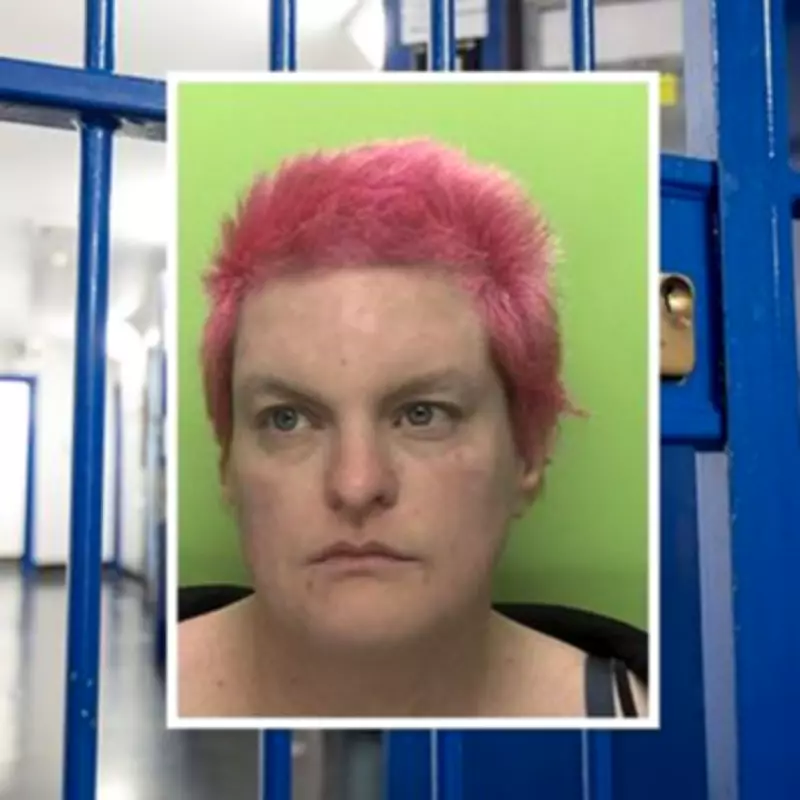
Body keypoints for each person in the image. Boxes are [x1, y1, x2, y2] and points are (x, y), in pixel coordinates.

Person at [178, 138, 648, 718]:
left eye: (423, 414)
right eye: (288, 419)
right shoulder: (103, 694)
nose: (356, 485)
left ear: (528, 450)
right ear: (228, 462)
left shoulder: (659, 720)